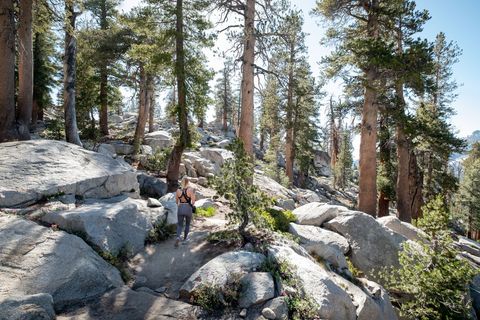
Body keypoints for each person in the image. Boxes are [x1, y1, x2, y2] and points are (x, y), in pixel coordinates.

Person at [175, 176, 195, 247]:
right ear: (188, 182)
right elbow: (193, 201)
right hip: (188, 208)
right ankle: (185, 239)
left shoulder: (178, 190)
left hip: (180, 208)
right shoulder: (190, 190)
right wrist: (191, 206)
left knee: (180, 224)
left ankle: (178, 237)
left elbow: (176, 201)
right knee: (187, 224)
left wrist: (180, 205)